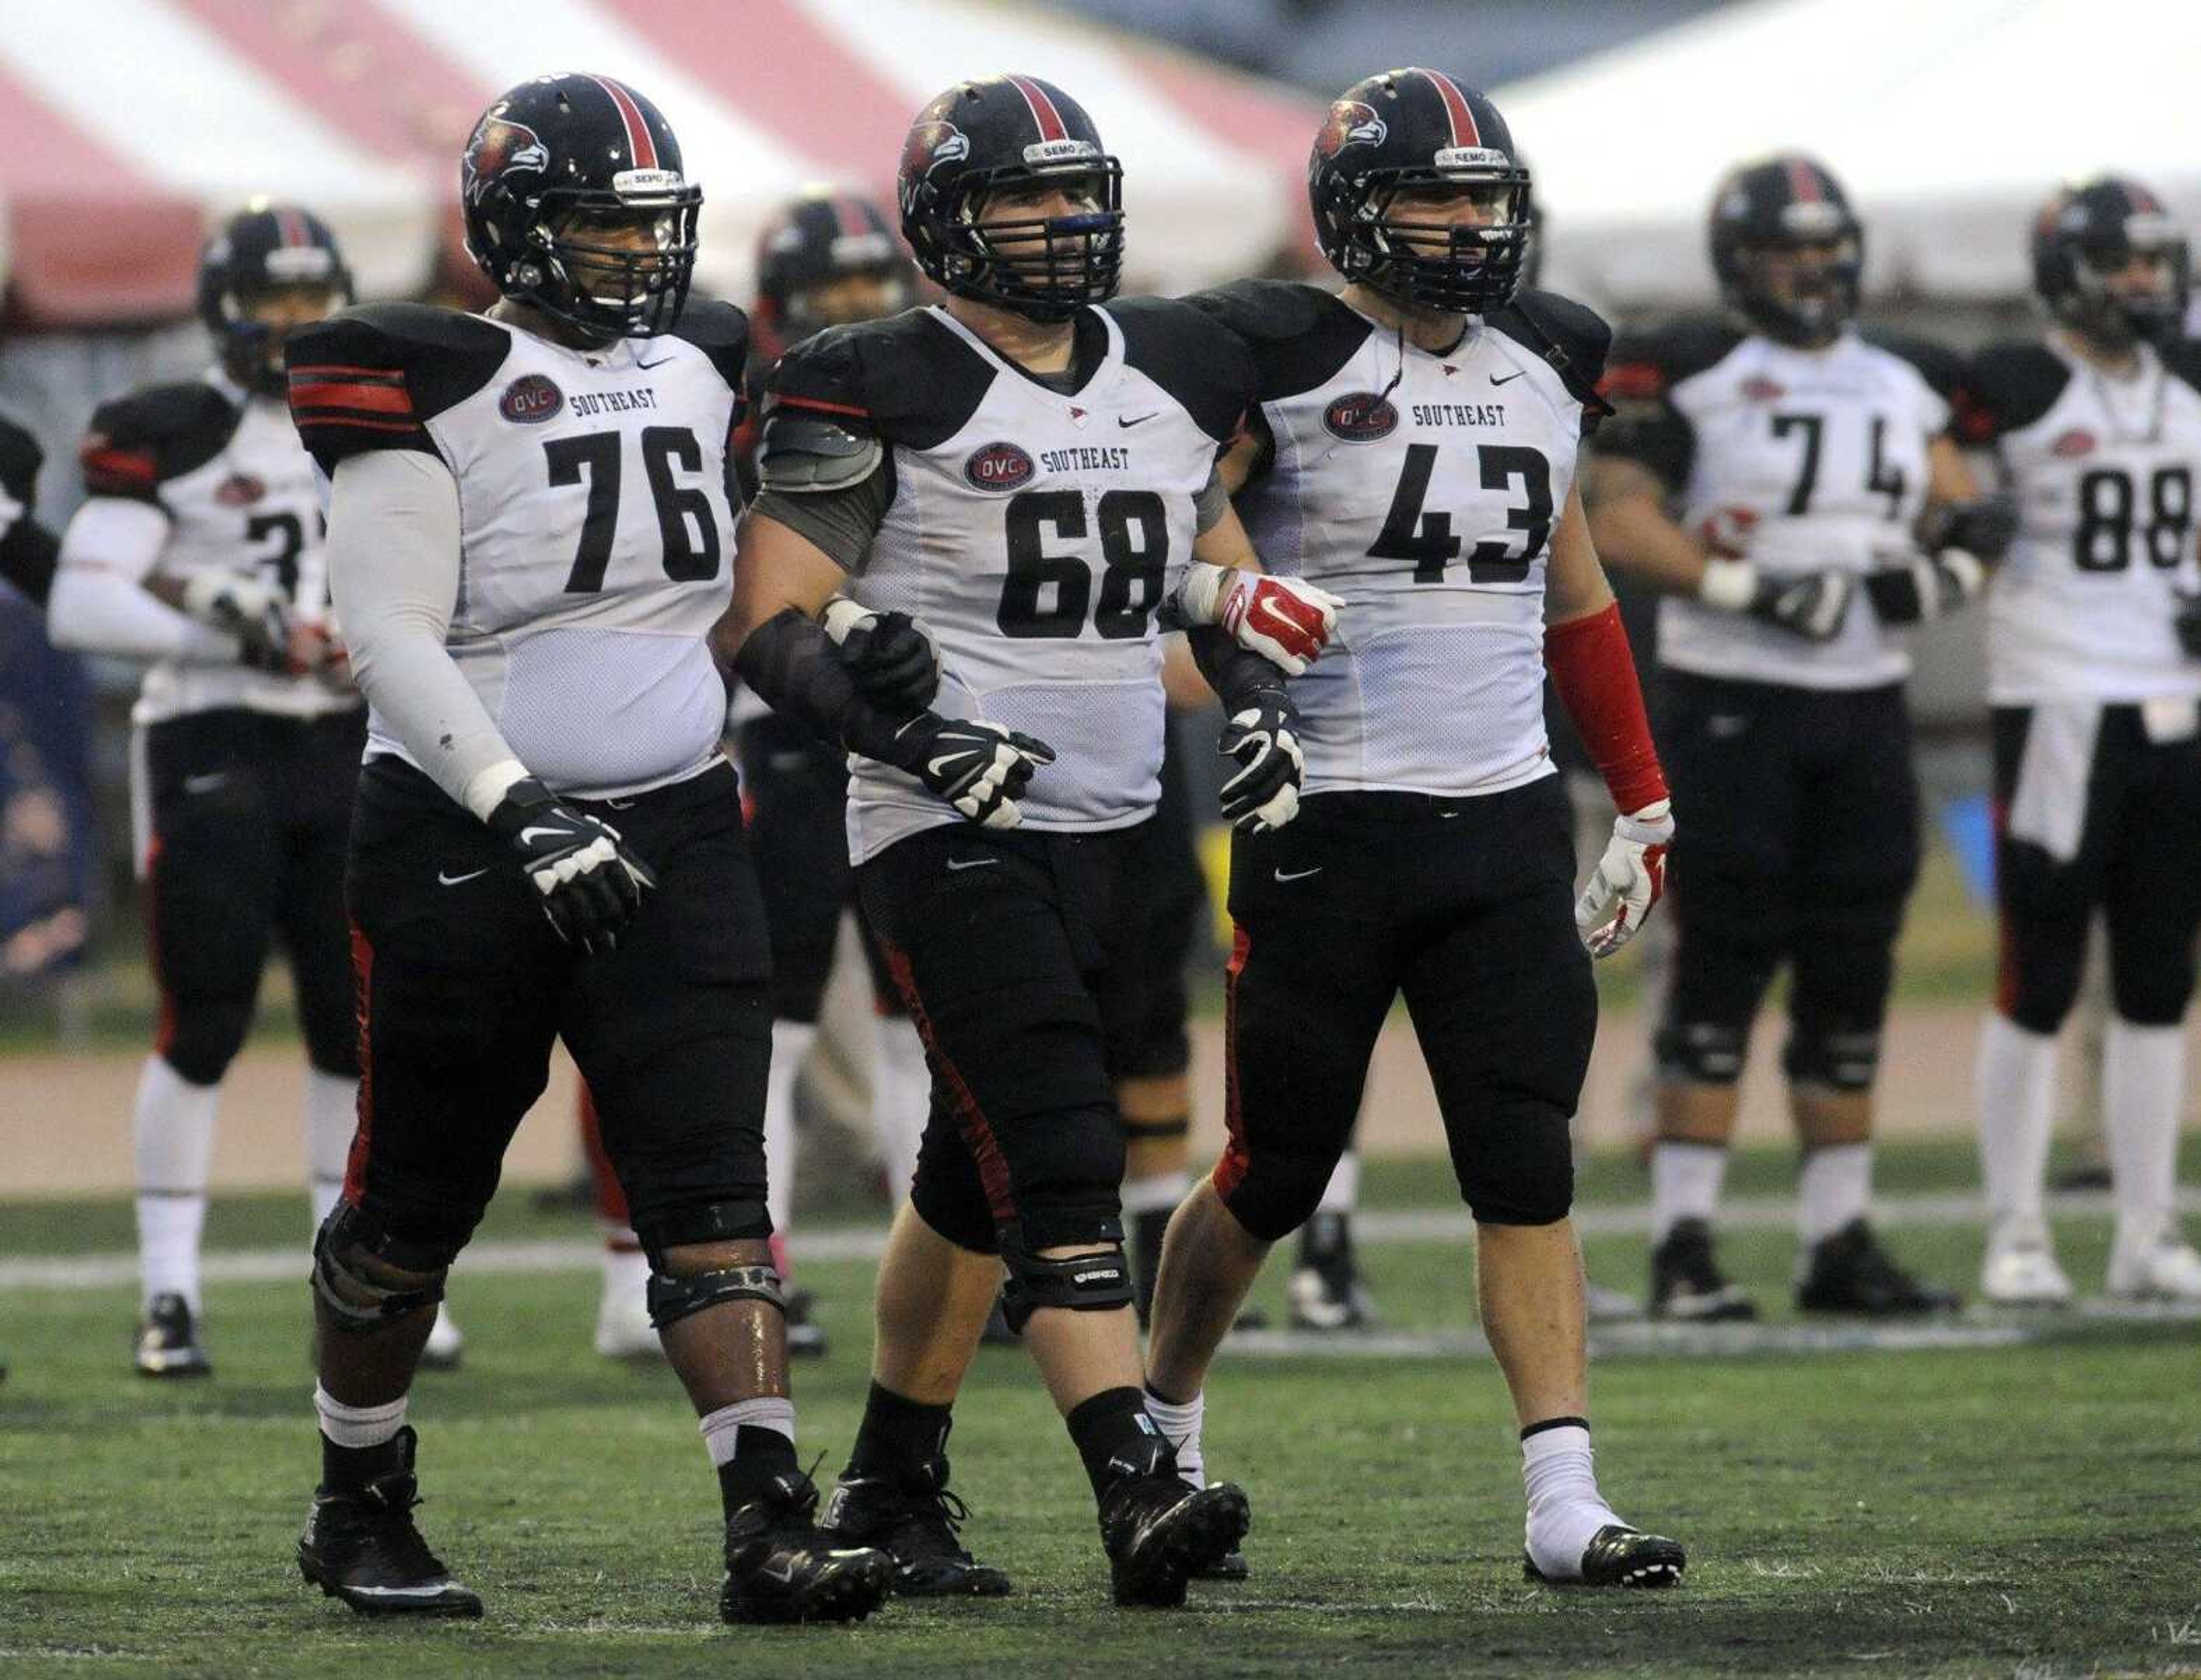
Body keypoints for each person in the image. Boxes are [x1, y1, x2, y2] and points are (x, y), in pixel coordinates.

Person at [283, 73, 891, 1624]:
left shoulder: (701, 359)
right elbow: (387, 634)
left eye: (650, 222)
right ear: (510, 228)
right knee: (413, 1202)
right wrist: (518, 803)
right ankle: (359, 1495)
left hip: (680, 819)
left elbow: (732, 588)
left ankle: (768, 1514)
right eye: (599, 222)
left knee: (711, 1182)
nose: (636, 253)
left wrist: (862, 646)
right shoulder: (415, 370)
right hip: (462, 836)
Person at [724, 73, 1338, 1607]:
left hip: (1123, 813)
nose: (1060, 224)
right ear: (945, 222)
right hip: (944, 821)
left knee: (967, 1176)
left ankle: (888, 1480)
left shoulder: (1178, 364)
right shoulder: (879, 378)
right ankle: (1136, 1477)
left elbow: (1208, 582)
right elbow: (766, 621)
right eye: (1022, 198)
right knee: (1061, 1150)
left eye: (1076, 193)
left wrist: (1258, 688)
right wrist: (911, 732)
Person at [1143, 67, 1685, 1591]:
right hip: (1329, 816)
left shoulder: (1546, 363)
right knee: (1275, 1164)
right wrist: (1236, 623)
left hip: (1504, 820)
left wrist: (1640, 791)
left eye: (1479, 196)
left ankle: (1564, 1495)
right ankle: (1163, 1429)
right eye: (1430, 195)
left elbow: (1573, 592)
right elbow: (1178, 510)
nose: (1460, 224)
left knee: (1526, 1159)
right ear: (1351, 207)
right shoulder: (1279, 351)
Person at [46, 204, 468, 1376]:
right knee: (206, 1019)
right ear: (222, 309)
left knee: (354, 1027)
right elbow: (85, 603)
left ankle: (361, 1278)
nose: (288, 327)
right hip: (214, 741)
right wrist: (230, 627)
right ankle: (170, 1293)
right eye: (268, 304)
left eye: (306, 302)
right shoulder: (171, 428)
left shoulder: (395, 418)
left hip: (351, 738)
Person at [1588, 155, 2009, 1321]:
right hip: (1735, 703)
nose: (1813, 274)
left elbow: (1966, 506)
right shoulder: (1700, 367)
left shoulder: (1908, 375)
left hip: (1865, 704)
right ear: (1739, 264)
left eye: (1827, 252)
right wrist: (1743, 586)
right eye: (1788, 254)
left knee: (1851, 970)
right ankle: (1683, 1242)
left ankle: (1838, 1237)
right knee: (1721, 968)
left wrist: (1954, 568)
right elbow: (1620, 513)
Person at [589, 185, 923, 1362]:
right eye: (827, 293)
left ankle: (932, 1253)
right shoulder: (743, 408)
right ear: (780, 304)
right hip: (784, 722)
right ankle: (763, 1252)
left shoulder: (934, 393)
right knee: (774, 1014)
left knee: (912, 1007)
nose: (853, 311)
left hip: (909, 714)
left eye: (867, 285)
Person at [1964, 176, 2201, 1305]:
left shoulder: (2187, 381)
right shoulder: (2016, 382)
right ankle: (2016, 1232)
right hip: (2059, 699)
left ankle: (2147, 1231)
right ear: (2067, 269)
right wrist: (1959, 513)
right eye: (2126, 263)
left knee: (2161, 975)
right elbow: (1935, 469)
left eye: (2158, 262)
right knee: (2041, 971)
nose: (2147, 283)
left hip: (2176, 700)